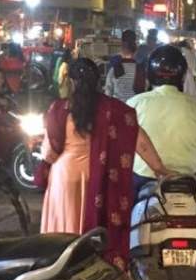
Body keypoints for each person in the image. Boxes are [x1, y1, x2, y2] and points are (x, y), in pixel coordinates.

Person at [39, 58, 168, 267]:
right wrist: (159, 168)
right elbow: (138, 138)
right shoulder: (113, 109)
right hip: (98, 178)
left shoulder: (59, 109)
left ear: (70, 81)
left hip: (65, 178)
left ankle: (62, 271)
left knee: (63, 234)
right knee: (97, 231)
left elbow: (51, 153)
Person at [128, 45, 196, 189]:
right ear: (183, 75)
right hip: (187, 178)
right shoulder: (194, 105)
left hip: (145, 178)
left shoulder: (135, 103)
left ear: (149, 74)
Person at [104, 30, 140, 102]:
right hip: (135, 109)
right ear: (136, 49)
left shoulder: (114, 68)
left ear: (122, 47)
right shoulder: (141, 70)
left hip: (118, 109)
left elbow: (108, 94)